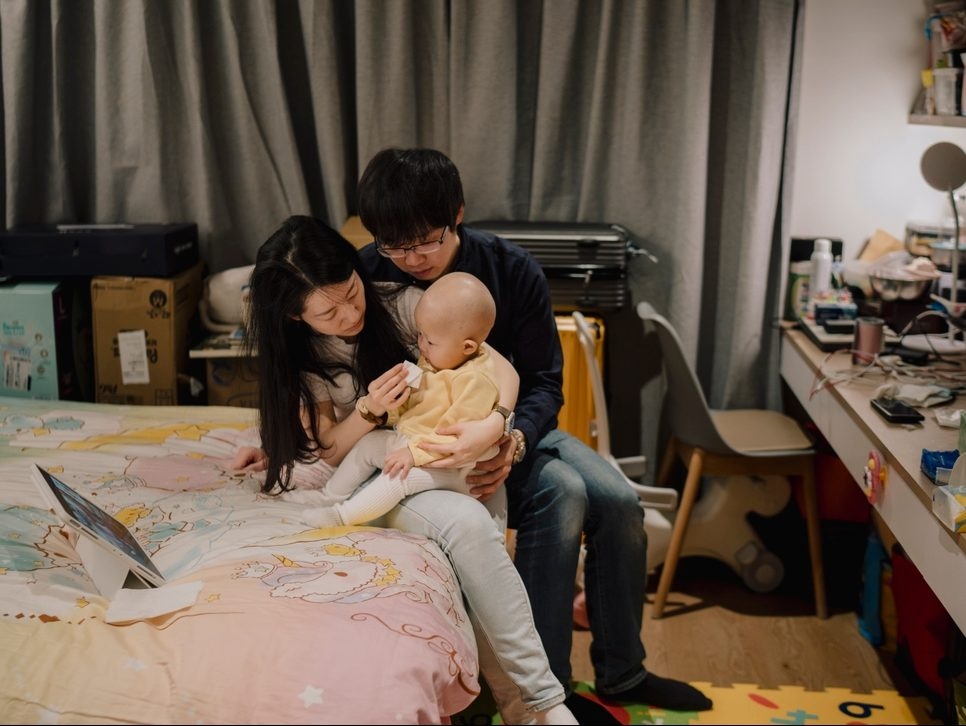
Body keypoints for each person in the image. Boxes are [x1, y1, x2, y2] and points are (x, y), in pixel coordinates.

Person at [355, 147, 714, 722]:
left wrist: (508, 437)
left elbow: (547, 380)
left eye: (425, 239)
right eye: (393, 244)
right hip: (433, 450)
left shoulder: (511, 268)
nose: (410, 257)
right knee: (564, 492)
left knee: (620, 502)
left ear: (458, 215)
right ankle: (549, 689)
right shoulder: (370, 273)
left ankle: (623, 673)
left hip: (514, 430)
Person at [233, 215, 576, 726]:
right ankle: (534, 706)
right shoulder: (302, 357)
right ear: (295, 317)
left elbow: (496, 363)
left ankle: (527, 703)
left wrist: (497, 424)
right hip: (375, 472)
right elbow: (328, 449)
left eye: (351, 291)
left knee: (513, 507)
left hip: (438, 456)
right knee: (468, 525)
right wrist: (369, 408)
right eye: (328, 311)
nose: (350, 314)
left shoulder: (404, 303)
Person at [302, 271, 508, 528]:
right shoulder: (437, 359)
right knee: (370, 443)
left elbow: (456, 438)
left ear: (467, 347)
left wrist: (412, 454)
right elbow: (414, 410)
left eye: (429, 341)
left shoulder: (475, 380)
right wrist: (391, 407)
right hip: (415, 442)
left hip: (453, 466)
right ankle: (329, 495)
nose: (421, 345)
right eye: (420, 334)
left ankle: (342, 516)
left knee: (399, 477)